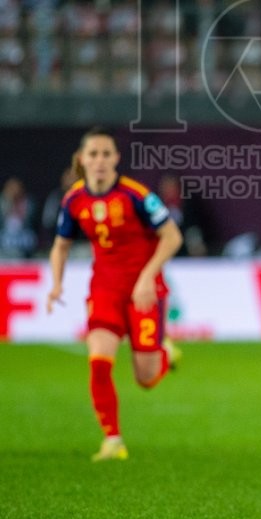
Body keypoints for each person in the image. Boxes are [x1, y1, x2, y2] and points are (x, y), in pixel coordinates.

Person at [46, 127, 183, 462]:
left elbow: (172, 237)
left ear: (116, 159)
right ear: (82, 159)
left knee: (146, 378)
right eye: (93, 154)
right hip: (105, 289)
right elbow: (61, 246)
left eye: (106, 154)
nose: (100, 160)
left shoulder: (137, 195)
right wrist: (56, 284)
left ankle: (164, 353)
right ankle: (112, 440)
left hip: (144, 290)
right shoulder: (74, 200)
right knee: (98, 362)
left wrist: (147, 277)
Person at [0, 176, 39, 258]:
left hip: (24, 235)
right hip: (4, 235)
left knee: (29, 239)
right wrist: (10, 202)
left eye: (16, 188)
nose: (14, 191)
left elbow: (31, 222)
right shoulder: (2, 201)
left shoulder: (29, 202)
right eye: (11, 188)